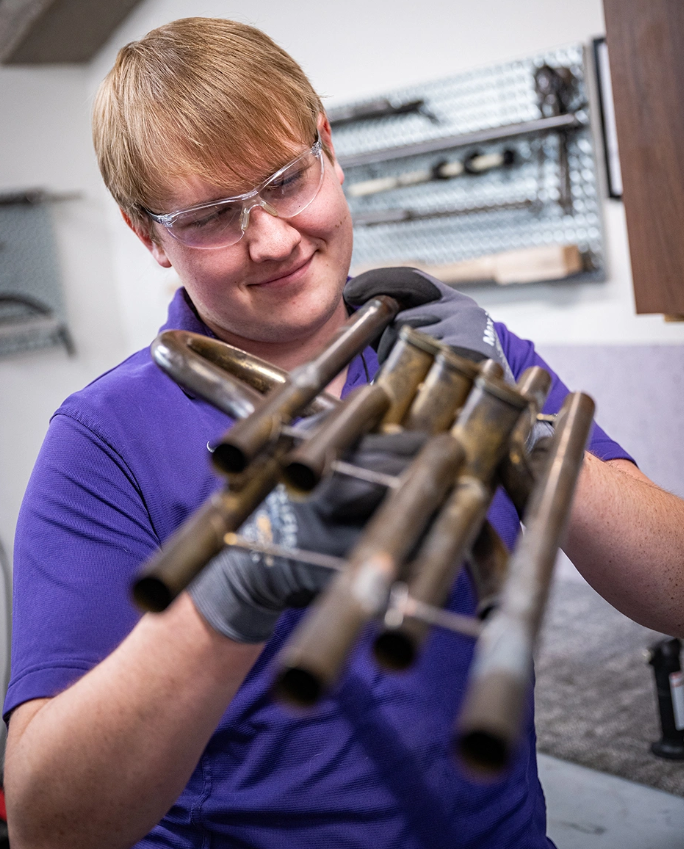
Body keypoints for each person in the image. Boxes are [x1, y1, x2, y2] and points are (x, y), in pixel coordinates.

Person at [4, 17, 684, 849]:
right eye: (212, 216)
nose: (273, 239)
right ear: (149, 235)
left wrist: (525, 435)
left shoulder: (467, 351)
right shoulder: (102, 442)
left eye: (287, 179)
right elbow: (45, 824)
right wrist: (234, 589)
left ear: (327, 147)